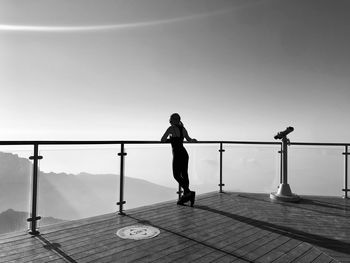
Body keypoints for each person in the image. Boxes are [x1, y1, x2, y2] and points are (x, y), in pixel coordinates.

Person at [161, 113, 197, 206]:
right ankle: (186, 195)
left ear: (172, 120)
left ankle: (188, 193)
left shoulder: (171, 129)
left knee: (176, 175)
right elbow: (189, 139)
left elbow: (162, 140)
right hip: (184, 153)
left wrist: (171, 140)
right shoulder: (183, 128)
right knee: (184, 174)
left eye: (171, 119)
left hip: (177, 154)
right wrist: (194, 140)